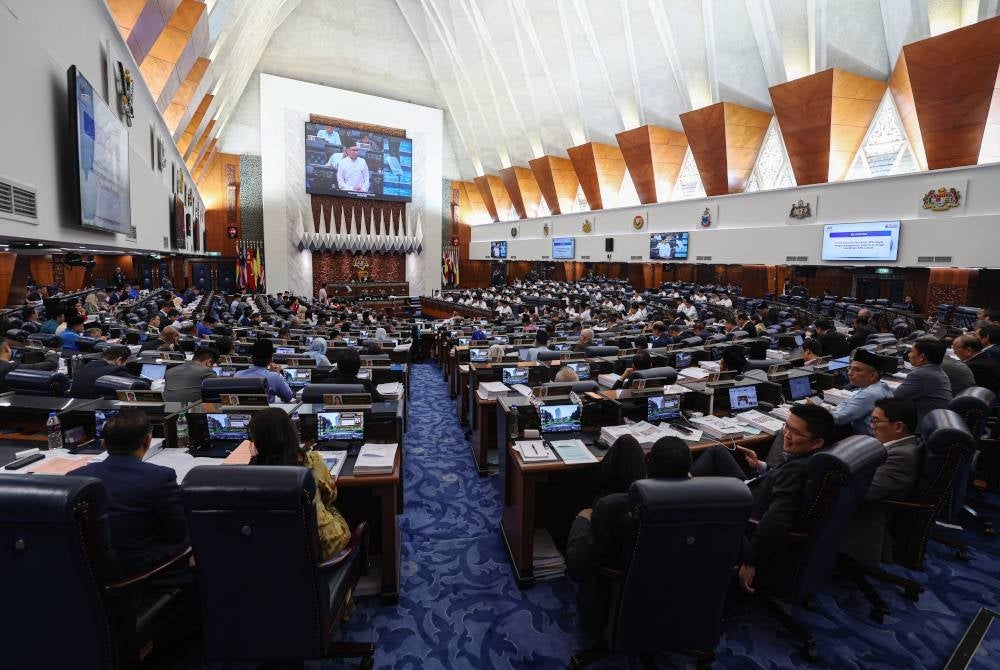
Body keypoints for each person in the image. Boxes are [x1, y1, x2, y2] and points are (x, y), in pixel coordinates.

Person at [690, 404, 836, 593]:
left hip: (744, 511)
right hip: (756, 488)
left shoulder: (796, 471)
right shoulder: (809, 459)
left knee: (697, 496)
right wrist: (762, 467)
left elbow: (777, 519)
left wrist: (750, 560)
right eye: (787, 426)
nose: (787, 434)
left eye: (796, 432)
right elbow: (783, 479)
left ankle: (677, 493)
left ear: (817, 442)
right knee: (718, 452)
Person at [566, 436, 692, 635]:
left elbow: (575, 568)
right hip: (671, 599)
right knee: (627, 443)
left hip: (612, 605)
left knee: (598, 498)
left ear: (647, 460)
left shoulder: (611, 507)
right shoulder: (704, 502)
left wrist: (582, 520)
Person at [74, 409, 189, 583]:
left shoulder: (76, 476)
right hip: (140, 573)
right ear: (148, 441)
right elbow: (178, 534)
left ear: (104, 444)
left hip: (87, 574)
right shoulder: (160, 477)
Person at [242, 408, 351, 560]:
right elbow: (331, 496)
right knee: (330, 505)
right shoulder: (312, 461)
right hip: (323, 546)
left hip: (277, 550)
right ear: (291, 432)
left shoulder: (250, 474)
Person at [841, 398, 921, 564]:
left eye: (876, 421)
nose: (872, 426)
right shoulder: (903, 446)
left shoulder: (901, 457)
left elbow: (865, 491)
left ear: (898, 426)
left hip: (865, 518)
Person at [829, 348, 894, 437]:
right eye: (850, 368)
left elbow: (837, 419)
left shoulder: (870, 394)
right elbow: (846, 404)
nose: (849, 373)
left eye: (857, 370)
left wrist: (816, 410)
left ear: (872, 376)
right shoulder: (879, 386)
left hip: (868, 439)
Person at [894, 338, 952, 422]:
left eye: (911, 352)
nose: (909, 355)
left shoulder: (920, 374)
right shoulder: (938, 371)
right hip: (938, 420)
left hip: (924, 424)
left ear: (922, 357)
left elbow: (894, 397)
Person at [69, 346, 141, 399]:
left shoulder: (88, 365)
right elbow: (140, 383)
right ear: (119, 360)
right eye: (125, 362)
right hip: (98, 409)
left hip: (76, 408)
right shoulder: (114, 370)